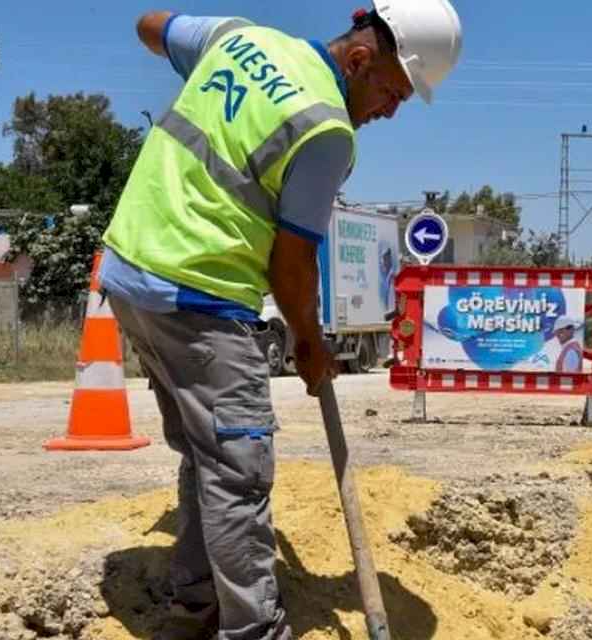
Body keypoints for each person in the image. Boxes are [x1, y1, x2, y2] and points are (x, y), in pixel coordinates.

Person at [97, 3, 462, 639]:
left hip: (131, 276)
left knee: (205, 454)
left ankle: (196, 608)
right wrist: (310, 345)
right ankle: (254, 631)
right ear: (358, 59)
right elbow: (291, 263)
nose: (390, 111)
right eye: (391, 92)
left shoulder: (240, 39)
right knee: (238, 473)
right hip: (201, 296)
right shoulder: (325, 130)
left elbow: (150, 25)